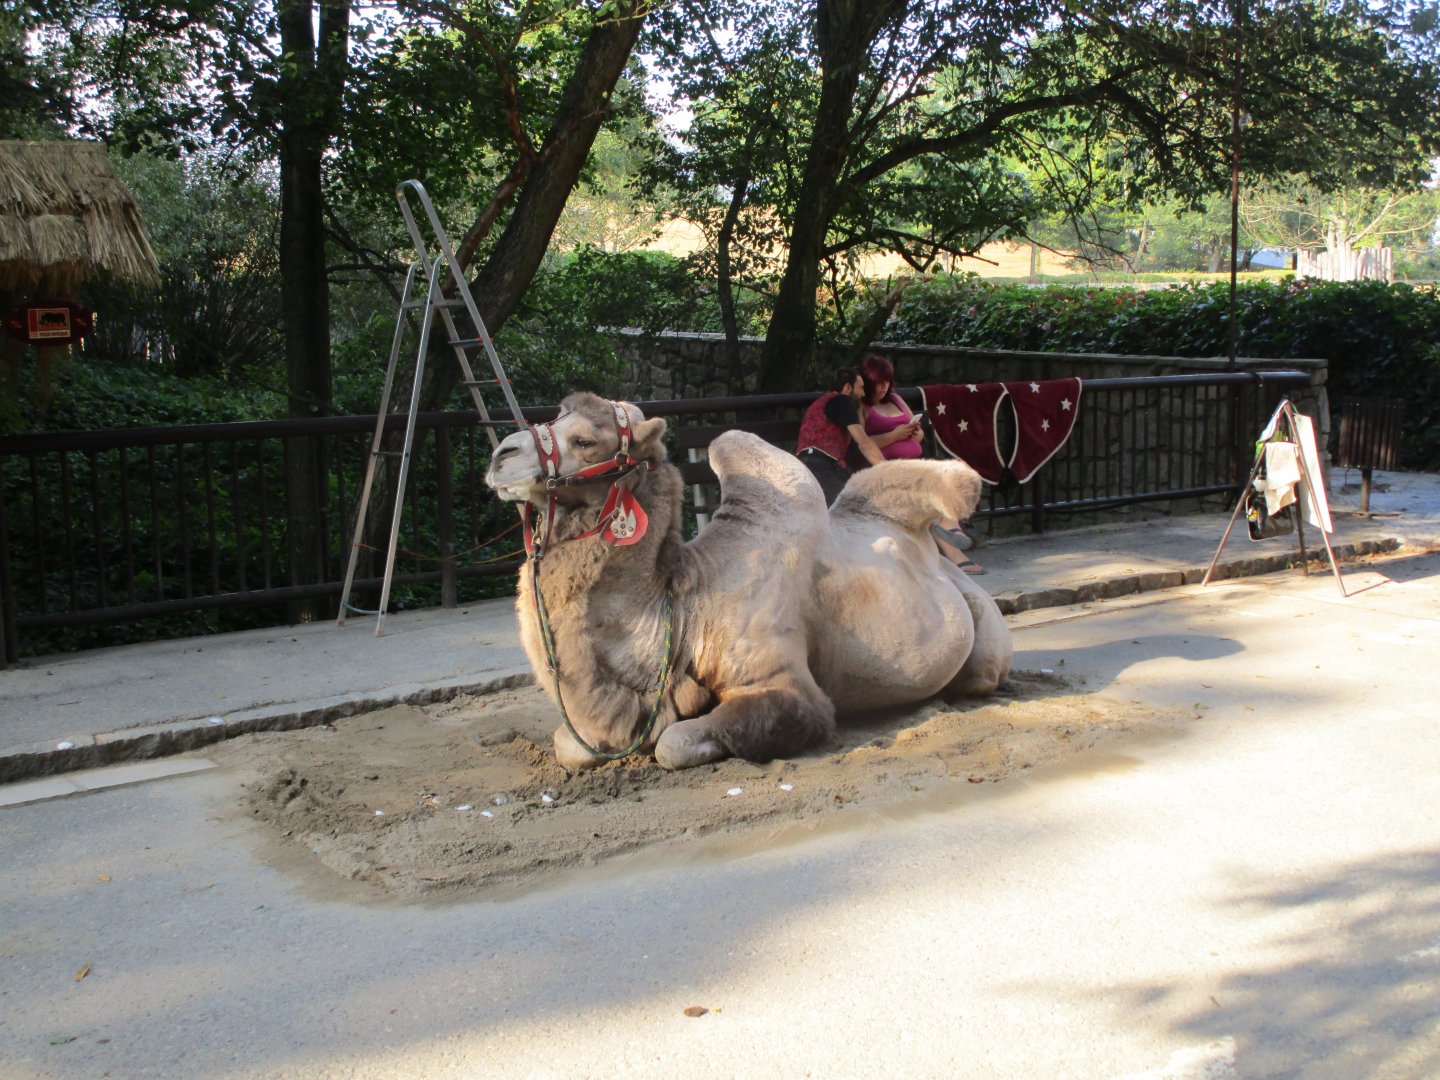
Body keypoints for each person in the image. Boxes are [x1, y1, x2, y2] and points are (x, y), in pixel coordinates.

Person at [858, 353, 986, 575]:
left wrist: (913, 433)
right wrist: (895, 436)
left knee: (951, 475)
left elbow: (918, 436)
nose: (883, 388)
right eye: (878, 383)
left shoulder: (896, 400)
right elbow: (862, 443)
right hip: (889, 470)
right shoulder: (861, 407)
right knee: (930, 488)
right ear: (868, 382)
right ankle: (955, 547)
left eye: (887, 382)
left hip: (914, 463)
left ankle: (951, 528)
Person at [795, 368, 888, 505]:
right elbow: (863, 443)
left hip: (804, 466)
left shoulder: (822, 402)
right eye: (861, 388)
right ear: (847, 387)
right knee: (854, 508)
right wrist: (889, 470)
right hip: (822, 469)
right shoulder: (844, 401)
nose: (863, 393)